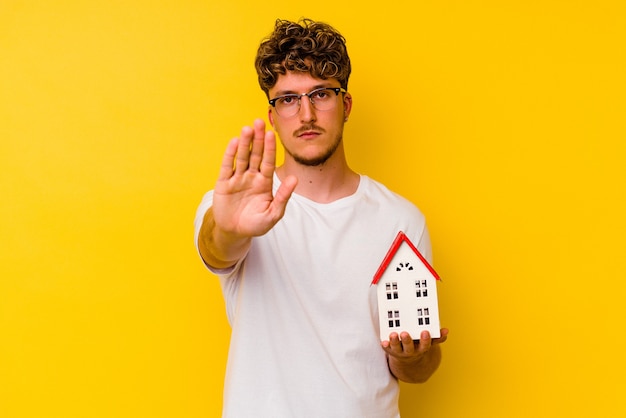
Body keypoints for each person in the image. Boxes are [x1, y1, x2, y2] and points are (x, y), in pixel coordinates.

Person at [194, 18, 448, 417]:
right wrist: (227, 229)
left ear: (345, 105)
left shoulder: (401, 219)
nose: (306, 113)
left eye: (321, 94)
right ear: (273, 115)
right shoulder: (238, 209)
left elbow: (421, 368)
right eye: (289, 99)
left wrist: (412, 356)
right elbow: (217, 249)